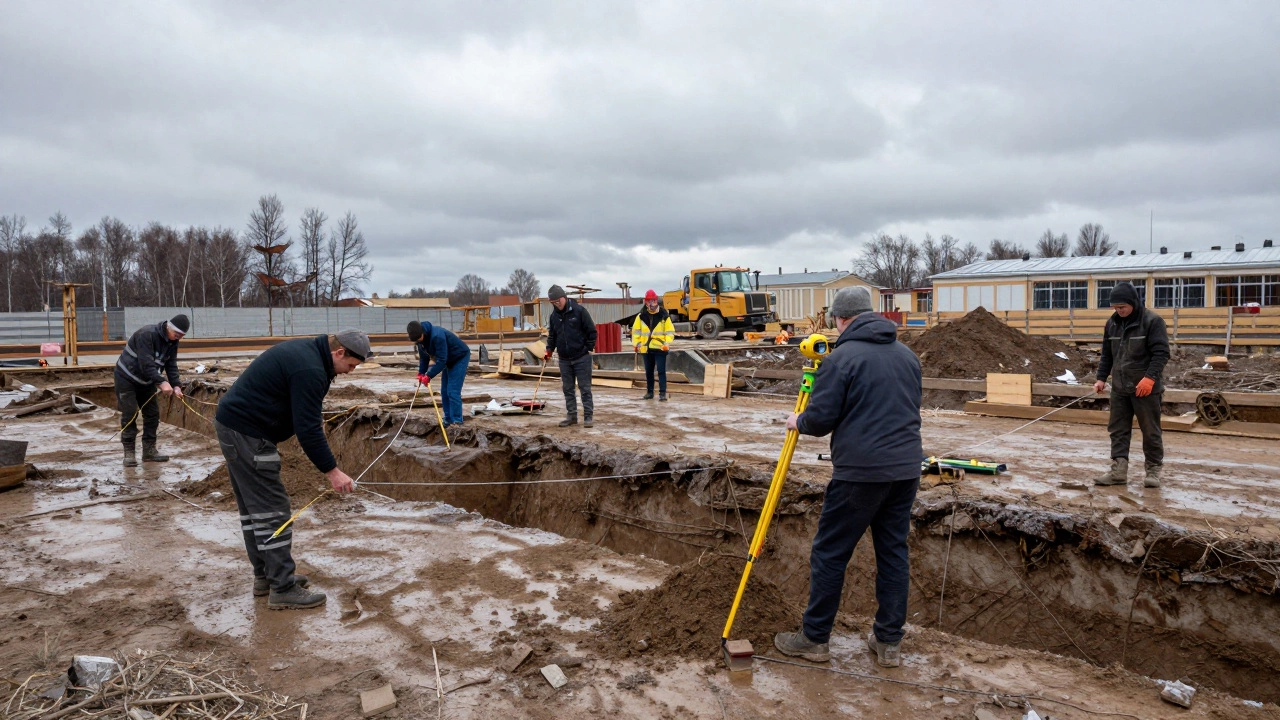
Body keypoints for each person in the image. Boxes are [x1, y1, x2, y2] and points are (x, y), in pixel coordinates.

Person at [773, 286, 923, 668]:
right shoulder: (907, 356)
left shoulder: (841, 359)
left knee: (830, 553)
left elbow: (820, 419)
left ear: (840, 319)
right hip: (906, 471)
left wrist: (798, 420)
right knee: (893, 553)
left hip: (860, 474)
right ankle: (889, 642)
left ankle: (814, 638)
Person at [213, 329, 369, 610]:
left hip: (236, 427)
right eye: (351, 365)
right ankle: (282, 588)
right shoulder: (310, 369)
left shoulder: (310, 355)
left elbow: (305, 412)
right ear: (339, 352)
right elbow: (307, 430)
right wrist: (333, 472)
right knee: (273, 512)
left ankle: (266, 578)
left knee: (255, 511)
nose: (350, 371)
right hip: (248, 434)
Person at [1094, 281, 1170, 488]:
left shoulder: (1152, 322)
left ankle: (1153, 470)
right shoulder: (1112, 324)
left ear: (1133, 303)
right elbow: (1107, 354)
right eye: (1116, 307)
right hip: (1120, 387)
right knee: (1118, 430)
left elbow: (1161, 353)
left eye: (1122, 307)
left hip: (1145, 388)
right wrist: (1101, 378)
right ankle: (1118, 471)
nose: (1119, 311)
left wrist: (1150, 378)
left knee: (1150, 430)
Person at [115, 314, 188, 467]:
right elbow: (146, 365)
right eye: (177, 334)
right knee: (130, 413)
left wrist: (176, 385)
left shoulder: (173, 342)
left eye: (182, 336)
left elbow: (171, 364)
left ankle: (149, 451)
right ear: (169, 327)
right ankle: (129, 453)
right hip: (126, 378)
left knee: (152, 414)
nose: (179, 338)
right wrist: (161, 382)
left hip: (147, 381)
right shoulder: (147, 335)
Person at [545, 284, 597, 428]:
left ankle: (588, 416)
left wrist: (588, 348)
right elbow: (552, 336)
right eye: (553, 302)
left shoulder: (579, 311)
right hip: (564, 360)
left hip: (581, 357)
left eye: (558, 301)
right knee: (568, 389)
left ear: (564, 297)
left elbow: (592, 331)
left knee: (585, 388)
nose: (557, 304)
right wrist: (549, 349)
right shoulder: (554, 317)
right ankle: (572, 416)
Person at [407, 320, 471, 426]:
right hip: (448, 359)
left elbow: (441, 361)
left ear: (422, 332)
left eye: (419, 338)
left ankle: (457, 421)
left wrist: (429, 376)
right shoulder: (420, 342)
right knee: (444, 391)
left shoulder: (437, 336)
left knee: (452, 391)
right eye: (416, 340)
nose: (418, 341)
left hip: (459, 357)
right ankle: (448, 419)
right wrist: (421, 373)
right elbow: (424, 358)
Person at [631, 289, 675, 401]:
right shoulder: (641, 316)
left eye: (653, 301)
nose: (651, 304)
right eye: (649, 301)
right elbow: (636, 332)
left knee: (661, 371)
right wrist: (637, 344)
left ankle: (662, 393)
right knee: (649, 372)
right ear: (646, 302)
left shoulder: (664, 315)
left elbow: (670, 332)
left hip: (660, 348)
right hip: (646, 348)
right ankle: (650, 392)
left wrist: (666, 343)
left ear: (656, 301)